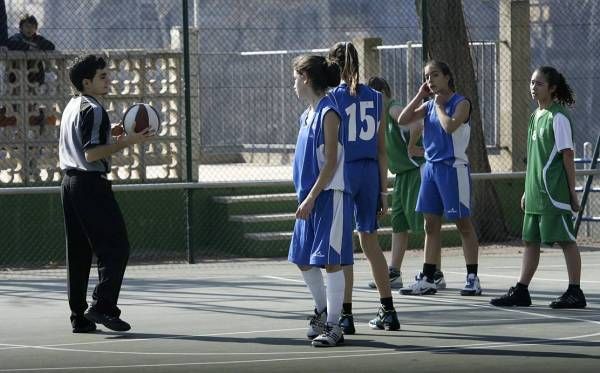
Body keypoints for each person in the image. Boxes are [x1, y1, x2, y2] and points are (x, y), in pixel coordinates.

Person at [59, 55, 153, 333]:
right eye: (102, 76)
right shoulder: (95, 109)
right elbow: (92, 153)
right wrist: (129, 141)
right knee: (115, 247)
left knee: (78, 252)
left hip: (69, 184)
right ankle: (103, 306)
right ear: (86, 82)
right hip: (90, 184)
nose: (108, 80)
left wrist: (111, 135)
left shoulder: (73, 105)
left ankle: (80, 316)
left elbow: (83, 141)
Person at [490, 66, 586, 309]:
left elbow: (567, 157)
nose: (533, 87)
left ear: (552, 88)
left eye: (539, 83)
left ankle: (575, 291)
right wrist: (526, 190)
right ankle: (521, 290)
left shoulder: (559, 117)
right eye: (532, 83)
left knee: (566, 240)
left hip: (553, 193)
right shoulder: (536, 116)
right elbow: (535, 158)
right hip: (534, 192)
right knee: (530, 241)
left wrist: (572, 193)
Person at [328, 42, 400, 335]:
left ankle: (346, 315)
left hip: (345, 173)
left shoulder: (333, 98)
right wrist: (384, 191)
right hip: (370, 173)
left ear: (334, 66)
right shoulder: (376, 97)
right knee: (370, 245)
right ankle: (388, 310)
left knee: (344, 246)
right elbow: (382, 149)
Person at [397, 60, 482, 296]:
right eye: (426, 76)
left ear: (447, 77)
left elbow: (449, 127)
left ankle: (472, 278)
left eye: (434, 75)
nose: (430, 80)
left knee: (463, 225)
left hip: (453, 169)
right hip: (431, 169)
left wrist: (440, 106)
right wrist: (419, 96)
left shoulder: (461, 103)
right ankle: (428, 277)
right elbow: (402, 120)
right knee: (430, 225)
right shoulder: (429, 104)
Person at [288, 54, 352, 347]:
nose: (293, 84)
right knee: (302, 259)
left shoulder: (329, 112)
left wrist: (313, 196)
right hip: (309, 197)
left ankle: (335, 325)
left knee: (331, 262)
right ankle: (323, 309)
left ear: (306, 78)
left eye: (295, 78)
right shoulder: (307, 115)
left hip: (328, 196)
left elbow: (331, 162)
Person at [366, 76, 447, 291]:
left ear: (384, 93)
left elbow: (417, 124)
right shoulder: (376, 117)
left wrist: (412, 145)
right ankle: (393, 272)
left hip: (416, 170)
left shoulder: (393, 108)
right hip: (402, 174)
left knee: (425, 224)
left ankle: (436, 272)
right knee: (399, 223)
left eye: (375, 94)